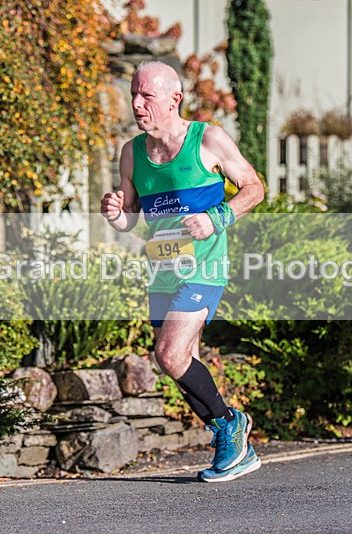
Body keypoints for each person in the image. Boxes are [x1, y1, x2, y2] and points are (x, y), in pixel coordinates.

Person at [101, 61, 265, 481]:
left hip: (204, 267)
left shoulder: (207, 139)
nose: (136, 102)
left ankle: (230, 425)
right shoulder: (131, 153)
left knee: (168, 354)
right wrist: (116, 212)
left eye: (146, 96)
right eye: (135, 94)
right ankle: (233, 441)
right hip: (163, 270)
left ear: (174, 100)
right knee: (179, 362)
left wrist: (217, 217)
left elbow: (255, 187)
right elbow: (132, 218)